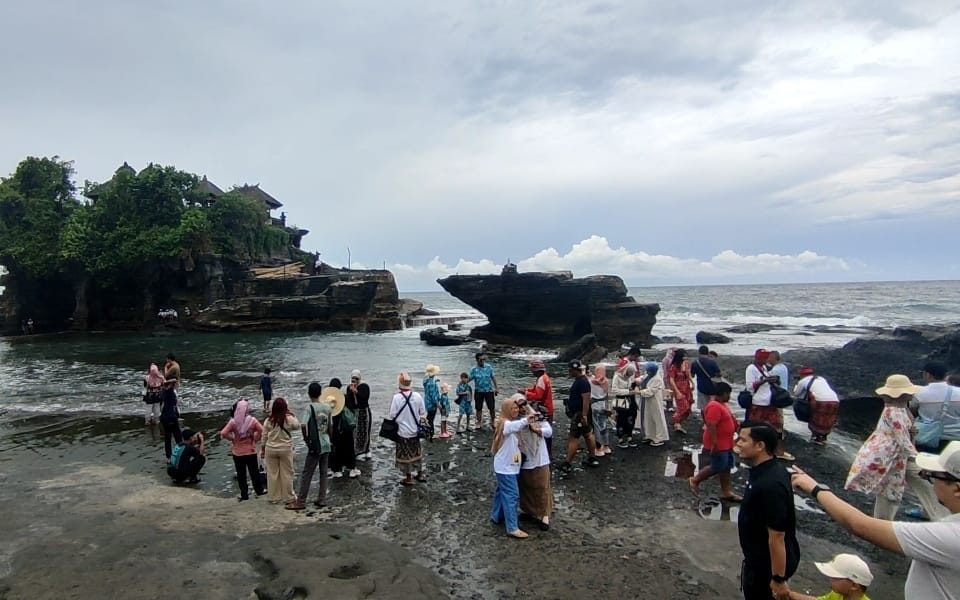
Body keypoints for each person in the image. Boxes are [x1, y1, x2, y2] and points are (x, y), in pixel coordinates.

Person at [791, 441, 960, 600]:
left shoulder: (951, 536)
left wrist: (815, 488)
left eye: (934, 477)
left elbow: (859, 525)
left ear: (957, 488)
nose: (932, 484)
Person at [845, 374, 948, 521]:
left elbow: (903, 436)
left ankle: (883, 523)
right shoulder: (894, 411)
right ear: (903, 394)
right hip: (892, 456)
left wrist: (912, 433)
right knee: (896, 490)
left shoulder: (899, 409)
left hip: (894, 455)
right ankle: (938, 516)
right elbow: (902, 441)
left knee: (897, 489)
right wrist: (921, 460)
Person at [736, 420, 800, 600]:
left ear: (760, 446)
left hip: (765, 568)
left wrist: (778, 579)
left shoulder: (770, 484)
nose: (738, 444)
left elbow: (777, 536)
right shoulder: (765, 470)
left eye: (742, 440)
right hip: (757, 561)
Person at [490, 396, 535, 539]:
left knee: (501, 492)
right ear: (506, 410)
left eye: (516, 408)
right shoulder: (505, 424)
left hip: (508, 465)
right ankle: (512, 527)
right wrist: (527, 420)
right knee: (512, 495)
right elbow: (515, 426)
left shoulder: (505, 422)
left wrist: (527, 410)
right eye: (513, 408)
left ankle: (497, 516)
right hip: (506, 467)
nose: (516, 410)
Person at [689, 382, 740, 501]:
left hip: (727, 442)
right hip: (719, 442)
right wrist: (714, 443)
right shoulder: (714, 406)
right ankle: (695, 480)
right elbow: (711, 425)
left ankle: (726, 491)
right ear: (724, 394)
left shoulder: (722, 404)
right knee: (718, 465)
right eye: (728, 394)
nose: (729, 397)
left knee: (727, 466)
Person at [286, 382, 332, 510]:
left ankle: (301, 501)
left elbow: (303, 425)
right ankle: (322, 499)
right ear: (320, 393)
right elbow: (330, 426)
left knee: (307, 473)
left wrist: (307, 440)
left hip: (315, 445)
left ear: (309, 394)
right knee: (324, 472)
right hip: (326, 442)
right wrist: (330, 438)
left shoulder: (309, 408)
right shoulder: (327, 408)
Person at [745, 349, 793, 460]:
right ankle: (752, 450)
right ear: (757, 358)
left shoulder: (765, 368)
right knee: (756, 429)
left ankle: (777, 451)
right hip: (758, 403)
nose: (765, 360)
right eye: (763, 358)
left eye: (766, 358)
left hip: (769, 402)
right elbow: (750, 387)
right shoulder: (751, 369)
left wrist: (774, 380)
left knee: (776, 427)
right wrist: (765, 380)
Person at [518, 397, 554, 530]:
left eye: (523, 406)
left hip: (539, 456)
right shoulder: (516, 420)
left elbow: (549, 432)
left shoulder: (537, 417)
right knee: (526, 485)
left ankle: (545, 515)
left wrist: (537, 430)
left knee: (542, 486)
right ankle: (529, 510)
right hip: (524, 455)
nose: (521, 409)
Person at [219, 399, 265, 501]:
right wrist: (255, 439)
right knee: (254, 473)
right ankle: (259, 491)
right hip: (251, 451)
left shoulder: (233, 422)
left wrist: (233, 439)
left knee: (241, 475)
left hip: (238, 453)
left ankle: (244, 495)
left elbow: (223, 433)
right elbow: (262, 430)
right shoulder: (252, 420)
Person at [560, 360, 601, 473]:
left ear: (575, 370)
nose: (569, 372)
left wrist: (583, 415)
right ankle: (592, 457)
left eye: (570, 370)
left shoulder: (582, 382)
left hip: (579, 414)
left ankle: (567, 463)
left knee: (574, 437)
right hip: (582, 413)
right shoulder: (581, 380)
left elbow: (586, 399)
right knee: (588, 434)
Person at [912, 361, 960, 452]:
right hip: (955, 439)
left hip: (928, 438)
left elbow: (912, 412)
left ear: (927, 374)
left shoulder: (920, 394)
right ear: (945, 375)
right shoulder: (958, 392)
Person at [389, 372, 427, 486]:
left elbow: (392, 415)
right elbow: (422, 412)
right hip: (415, 430)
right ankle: (420, 474)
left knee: (406, 454)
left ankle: (408, 477)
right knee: (417, 452)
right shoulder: (417, 396)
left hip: (402, 431)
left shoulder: (397, 398)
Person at [260, 397, 299, 504]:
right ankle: (289, 497)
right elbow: (297, 426)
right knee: (287, 473)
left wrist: (262, 449)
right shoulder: (288, 419)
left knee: (272, 474)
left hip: (271, 448)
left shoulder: (268, 420)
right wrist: (291, 413)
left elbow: (264, 437)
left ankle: (274, 497)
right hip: (285, 449)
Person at [787, 553, 873, 600]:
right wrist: (789, 594)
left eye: (836, 577)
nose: (830, 578)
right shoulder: (836, 594)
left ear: (854, 586)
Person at [793, 367, 840, 445]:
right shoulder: (821, 378)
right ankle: (824, 437)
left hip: (820, 401)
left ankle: (816, 438)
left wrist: (797, 384)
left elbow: (796, 394)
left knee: (816, 419)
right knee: (829, 419)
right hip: (835, 400)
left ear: (802, 374)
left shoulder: (802, 381)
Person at [326, 379, 359, 478]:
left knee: (335, 448)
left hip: (334, 427)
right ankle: (351, 468)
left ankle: (336, 469)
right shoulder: (343, 397)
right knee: (349, 446)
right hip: (345, 427)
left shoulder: (328, 399)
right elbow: (354, 407)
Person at [522, 359, 554, 458]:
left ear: (537, 370)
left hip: (544, 409)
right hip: (547, 408)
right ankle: (547, 453)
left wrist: (526, 393)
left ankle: (546, 454)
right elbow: (537, 390)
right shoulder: (544, 378)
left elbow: (538, 396)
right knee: (546, 430)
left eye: (532, 369)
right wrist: (527, 390)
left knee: (544, 430)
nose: (531, 372)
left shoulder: (542, 380)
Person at [637, 362, 670, 446]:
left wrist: (639, 392)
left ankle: (660, 438)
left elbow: (651, 391)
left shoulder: (657, 379)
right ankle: (649, 435)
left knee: (657, 418)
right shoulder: (648, 375)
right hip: (646, 401)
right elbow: (643, 378)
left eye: (649, 371)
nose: (647, 372)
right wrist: (637, 380)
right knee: (647, 418)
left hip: (654, 401)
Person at [610, 363, 639, 448]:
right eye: (628, 374)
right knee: (621, 419)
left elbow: (631, 385)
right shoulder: (617, 377)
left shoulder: (630, 377)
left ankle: (629, 436)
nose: (629, 375)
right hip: (621, 400)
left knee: (631, 417)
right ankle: (620, 438)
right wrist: (627, 391)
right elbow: (614, 390)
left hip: (630, 400)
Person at [468, 353, 499, 430]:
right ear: (477, 360)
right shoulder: (474, 369)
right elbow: (469, 379)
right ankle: (479, 422)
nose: (482, 361)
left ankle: (493, 421)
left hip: (489, 390)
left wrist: (496, 388)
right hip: (478, 391)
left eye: (484, 359)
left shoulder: (488, 367)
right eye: (481, 360)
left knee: (491, 407)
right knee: (478, 408)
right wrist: (462, 384)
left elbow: (493, 377)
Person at [346, 369, 372, 460]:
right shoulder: (349, 387)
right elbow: (348, 401)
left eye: (356, 379)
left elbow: (364, 398)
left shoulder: (364, 387)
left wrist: (356, 392)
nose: (355, 381)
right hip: (355, 412)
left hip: (364, 412)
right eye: (353, 379)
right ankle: (358, 451)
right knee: (356, 432)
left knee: (365, 431)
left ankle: (366, 450)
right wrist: (351, 391)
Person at [667, 348, 693, 434]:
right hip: (678, 388)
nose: (686, 358)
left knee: (688, 408)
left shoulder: (686, 364)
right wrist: (677, 391)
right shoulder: (673, 367)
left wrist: (692, 382)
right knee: (683, 406)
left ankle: (678, 423)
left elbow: (688, 374)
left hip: (687, 387)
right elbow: (671, 379)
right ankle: (675, 420)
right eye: (684, 356)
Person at [690, 345, 722, 413]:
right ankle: (712, 420)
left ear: (699, 352)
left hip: (701, 387)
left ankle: (705, 422)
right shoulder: (712, 362)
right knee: (713, 406)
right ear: (708, 352)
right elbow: (719, 374)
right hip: (713, 387)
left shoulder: (695, 363)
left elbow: (692, 375)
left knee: (703, 407)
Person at [589, 364, 612, 456]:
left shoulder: (591, 381)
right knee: (604, 426)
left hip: (594, 406)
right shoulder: (606, 381)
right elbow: (607, 395)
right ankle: (606, 446)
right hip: (603, 406)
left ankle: (599, 448)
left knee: (596, 427)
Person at [159, 380, 182, 459]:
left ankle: (169, 457)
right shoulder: (170, 392)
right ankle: (180, 454)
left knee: (168, 438)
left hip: (165, 417)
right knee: (178, 438)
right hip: (171, 417)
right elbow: (174, 380)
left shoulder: (163, 392)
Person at [423, 365, 441, 440]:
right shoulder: (433, 384)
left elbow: (428, 387)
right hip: (432, 404)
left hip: (427, 402)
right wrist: (438, 405)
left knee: (429, 417)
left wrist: (435, 381)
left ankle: (426, 431)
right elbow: (434, 397)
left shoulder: (426, 381)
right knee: (431, 419)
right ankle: (430, 433)